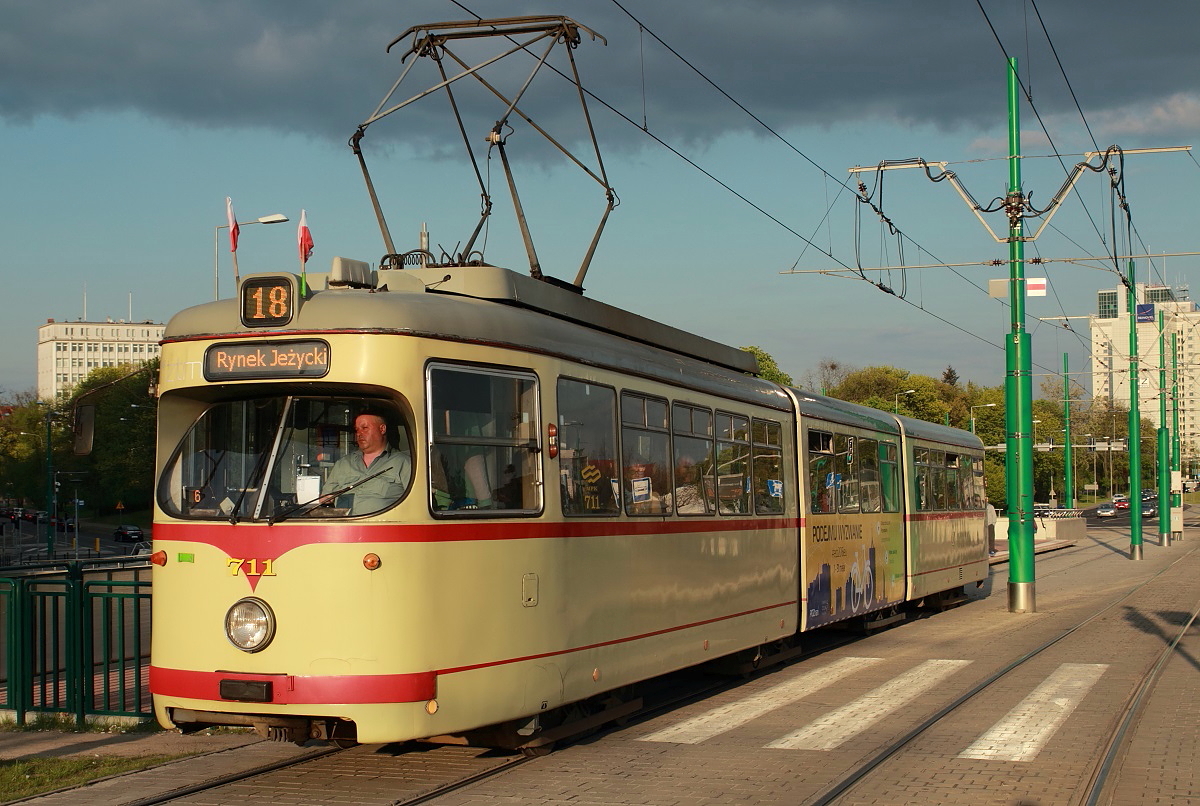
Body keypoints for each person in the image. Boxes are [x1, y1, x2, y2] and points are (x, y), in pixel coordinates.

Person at [323, 412, 411, 515]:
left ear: (382, 429)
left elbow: (417, 503)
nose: (359, 433)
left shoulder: (403, 463)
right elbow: (325, 499)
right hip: (345, 527)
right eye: (357, 429)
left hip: (384, 527)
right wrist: (327, 499)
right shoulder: (343, 463)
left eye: (364, 428)